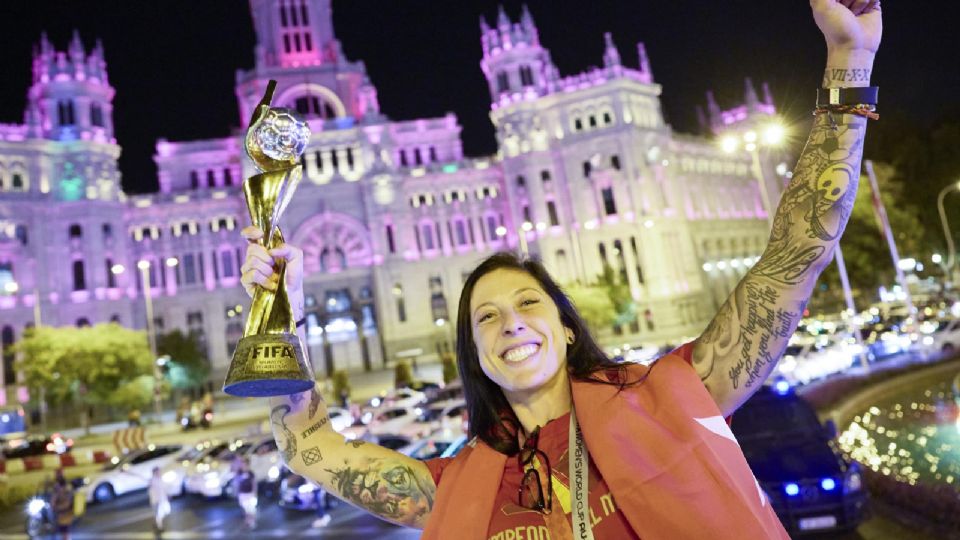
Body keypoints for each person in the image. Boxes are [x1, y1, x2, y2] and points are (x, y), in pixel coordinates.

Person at [239, 1, 881, 536]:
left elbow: (794, 256)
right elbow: (310, 448)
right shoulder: (459, 485)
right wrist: (278, 314)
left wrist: (849, 64)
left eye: (526, 303)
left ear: (567, 327)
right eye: (485, 318)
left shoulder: (670, 399)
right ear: (474, 354)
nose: (510, 324)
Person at [49, 469, 74, 540]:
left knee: (64, 530)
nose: (57, 476)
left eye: (58, 474)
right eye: (56, 474)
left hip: (65, 511)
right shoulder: (56, 484)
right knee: (59, 530)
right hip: (59, 511)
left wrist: (56, 506)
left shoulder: (66, 486)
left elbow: (67, 501)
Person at [235, 458, 258, 529]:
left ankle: (252, 522)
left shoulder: (251, 473)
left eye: (245, 464)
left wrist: (255, 493)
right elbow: (237, 483)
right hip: (242, 494)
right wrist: (237, 493)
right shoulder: (239, 473)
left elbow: (254, 483)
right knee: (245, 509)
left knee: (251, 509)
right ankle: (248, 521)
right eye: (242, 464)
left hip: (250, 494)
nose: (243, 466)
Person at [147, 467, 170, 535]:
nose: (159, 473)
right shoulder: (152, 480)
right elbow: (140, 477)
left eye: (159, 471)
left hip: (163, 500)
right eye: (158, 472)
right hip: (157, 501)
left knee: (166, 512)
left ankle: (157, 524)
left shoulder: (160, 479)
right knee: (158, 515)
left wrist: (167, 495)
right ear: (154, 473)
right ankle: (160, 527)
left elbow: (163, 489)